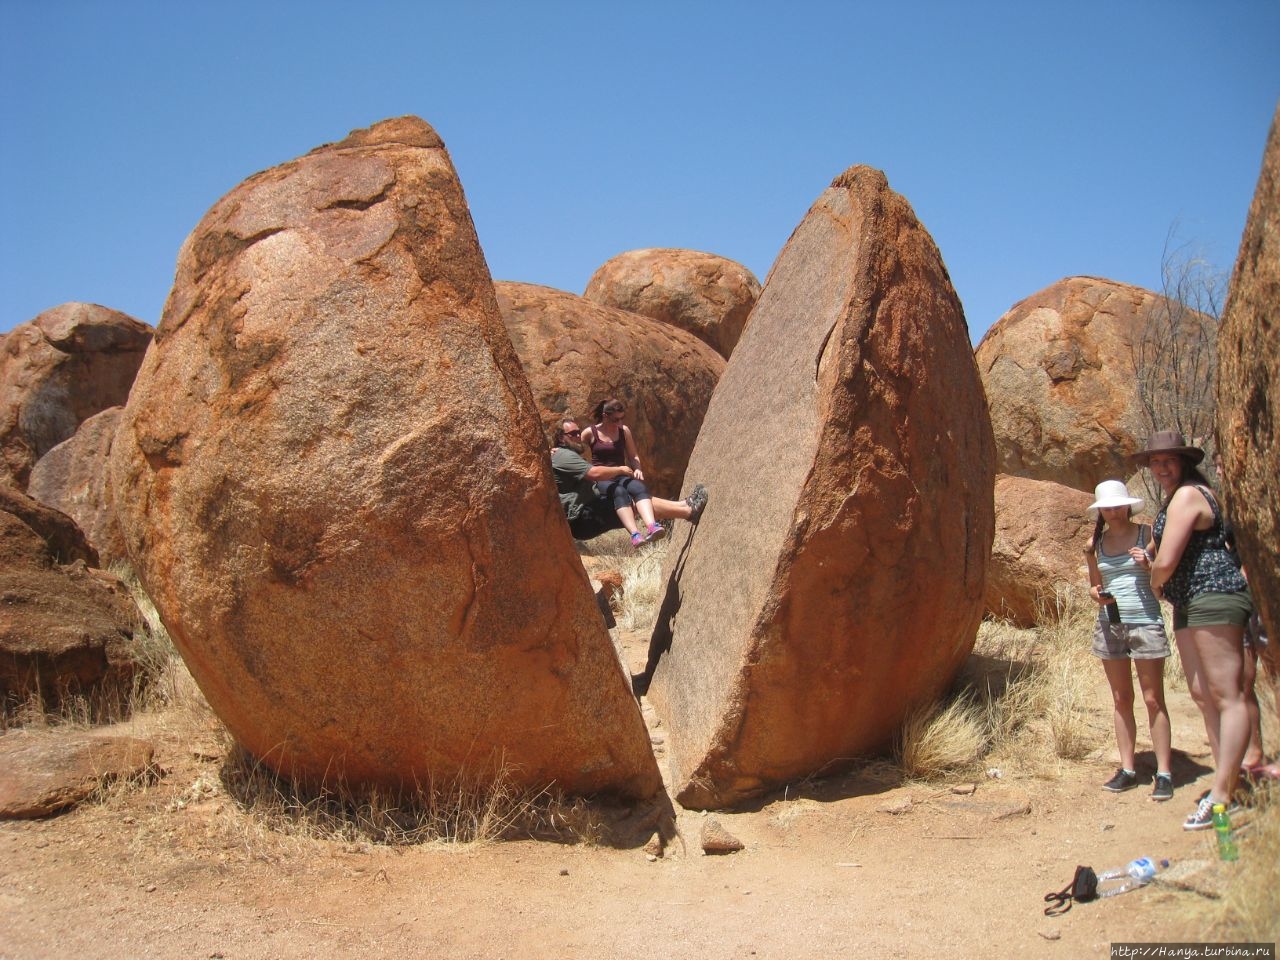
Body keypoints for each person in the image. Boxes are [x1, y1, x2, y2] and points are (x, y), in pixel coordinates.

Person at [1133, 431, 1253, 831]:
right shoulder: (1177, 497)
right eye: (1155, 461)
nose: (1161, 467)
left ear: (1184, 462)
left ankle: (1223, 792)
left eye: (1168, 460)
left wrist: (1154, 584)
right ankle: (1229, 781)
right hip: (1190, 602)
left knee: (1226, 693)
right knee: (1203, 694)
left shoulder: (1188, 495)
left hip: (1213, 594)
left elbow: (1166, 558)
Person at [1083, 480, 1174, 801]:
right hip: (1110, 624)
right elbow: (1095, 587)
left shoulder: (1147, 536)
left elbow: (1163, 582)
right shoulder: (1095, 544)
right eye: (1106, 508)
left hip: (1146, 621)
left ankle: (1164, 771)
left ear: (1127, 506)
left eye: (1117, 506)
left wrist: (1149, 565)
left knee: (1153, 699)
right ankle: (1128, 768)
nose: (1112, 512)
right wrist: (1098, 594)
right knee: (1121, 698)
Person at [551, 419, 707, 545]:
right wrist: (619, 469)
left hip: (586, 513)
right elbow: (594, 473)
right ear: (560, 437)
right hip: (582, 516)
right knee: (630, 504)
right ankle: (688, 511)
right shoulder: (563, 455)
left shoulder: (562, 455)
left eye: (579, 432)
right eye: (573, 434)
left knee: (636, 500)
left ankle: (684, 505)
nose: (578, 436)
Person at [580, 399, 666, 546]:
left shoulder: (624, 431)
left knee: (639, 488)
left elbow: (633, 456)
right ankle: (635, 534)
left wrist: (637, 468)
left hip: (622, 474)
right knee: (619, 492)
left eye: (621, 419)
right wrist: (557, 449)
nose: (619, 423)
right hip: (602, 478)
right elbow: (575, 450)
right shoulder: (590, 432)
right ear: (605, 416)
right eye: (615, 419)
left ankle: (652, 526)